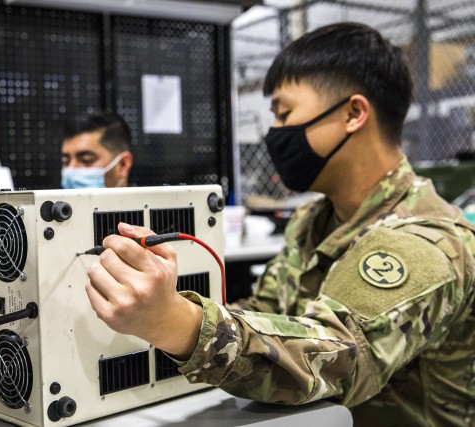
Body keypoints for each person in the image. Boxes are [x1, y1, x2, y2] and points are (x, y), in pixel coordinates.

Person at [84, 23, 475, 426]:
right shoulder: (313, 220)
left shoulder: (427, 243)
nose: (275, 133)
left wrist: (177, 322)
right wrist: (173, 305)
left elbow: (341, 359)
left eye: (284, 113)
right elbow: (268, 311)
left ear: (354, 114)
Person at [0, 112, 133, 309]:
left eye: (86, 160)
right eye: (66, 160)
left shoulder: (139, 227)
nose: (72, 169)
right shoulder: (60, 225)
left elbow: (107, 300)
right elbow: (47, 279)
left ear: (122, 165)